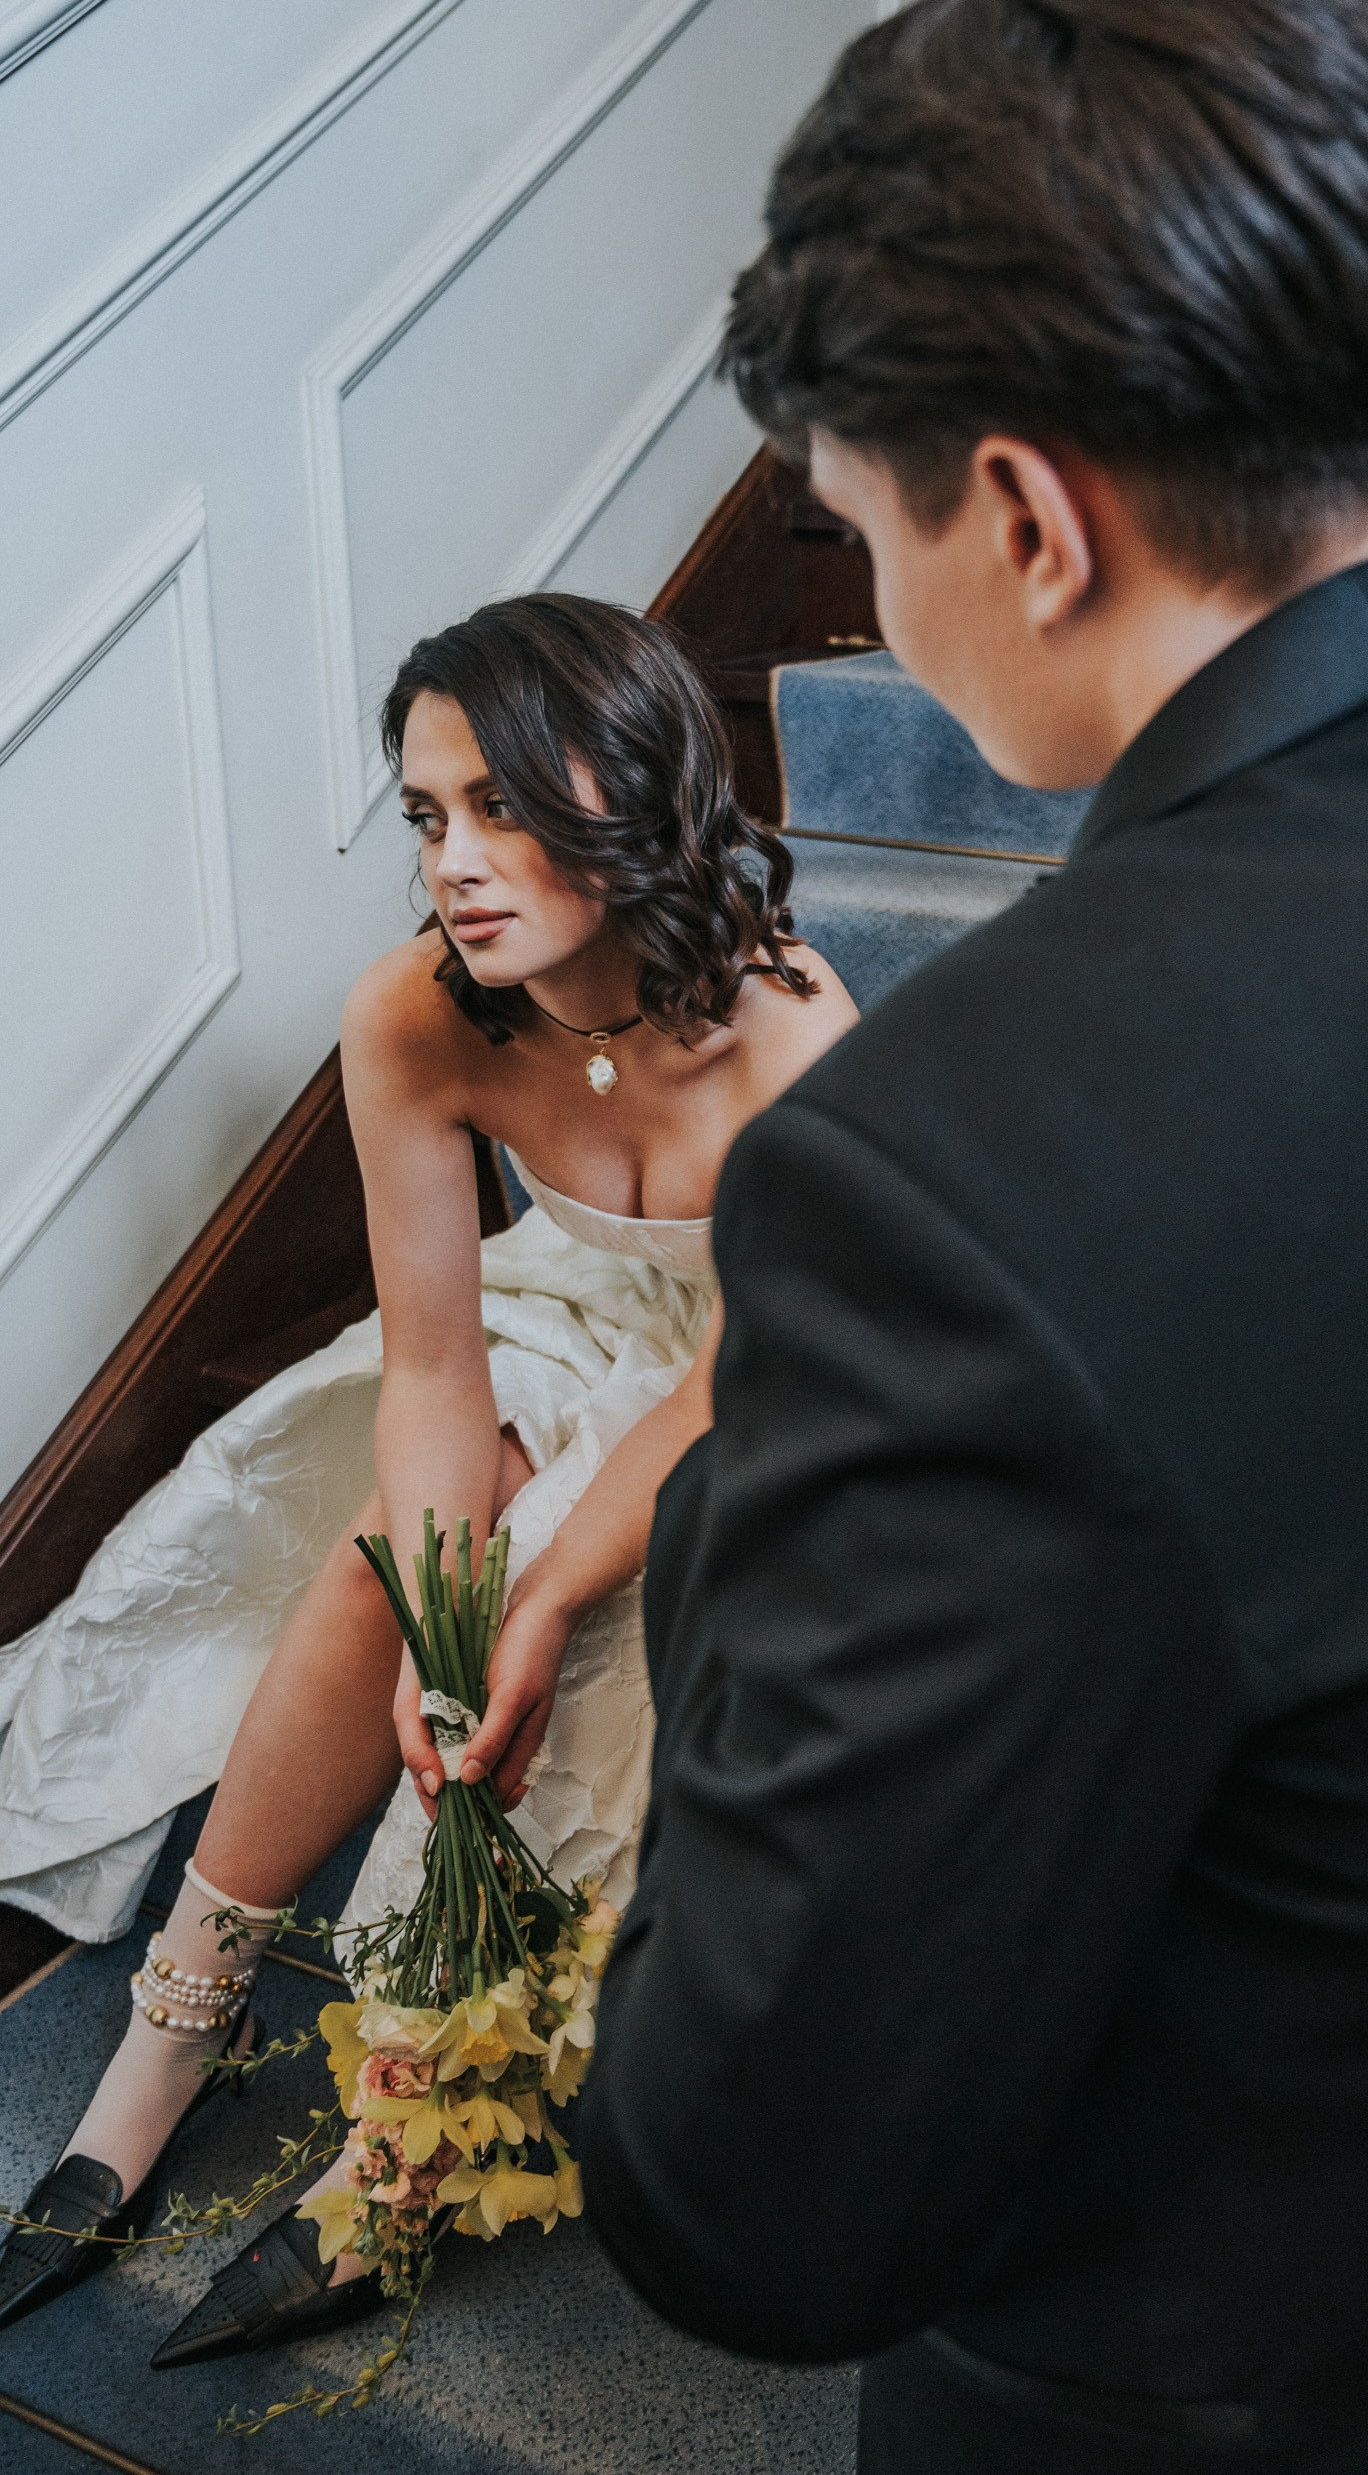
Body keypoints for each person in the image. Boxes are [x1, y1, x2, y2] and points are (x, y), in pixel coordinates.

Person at [576, 0, 1368, 2471]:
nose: (878, 596)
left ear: (1030, 521)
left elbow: (746, 2193)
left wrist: (750, 1453)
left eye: (862, 525)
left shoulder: (945, 1192)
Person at [0, 594, 855, 2356]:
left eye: (502, 803)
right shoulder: (414, 1013)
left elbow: (734, 1376)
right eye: (427, 814)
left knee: (561, 1590)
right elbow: (438, 1365)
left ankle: (416, 2123)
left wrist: (531, 1605)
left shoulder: (788, 1032)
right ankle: (171, 2037)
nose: (453, 860)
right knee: (401, 1547)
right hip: (563, 1315)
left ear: (634, 785)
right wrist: (449, 1611)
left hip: (767, 1369)